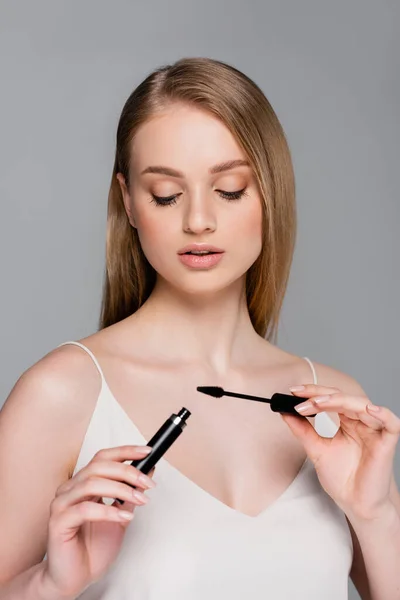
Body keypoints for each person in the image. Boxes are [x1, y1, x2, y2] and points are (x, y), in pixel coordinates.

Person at [0, 56, 399, 600]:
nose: (198, 221)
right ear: (130, 203)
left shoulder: (332, 406)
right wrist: (50, 584)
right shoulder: (62, 393)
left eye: (230, 189)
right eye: (166, 194)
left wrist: (374, 513)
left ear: (270, 193)